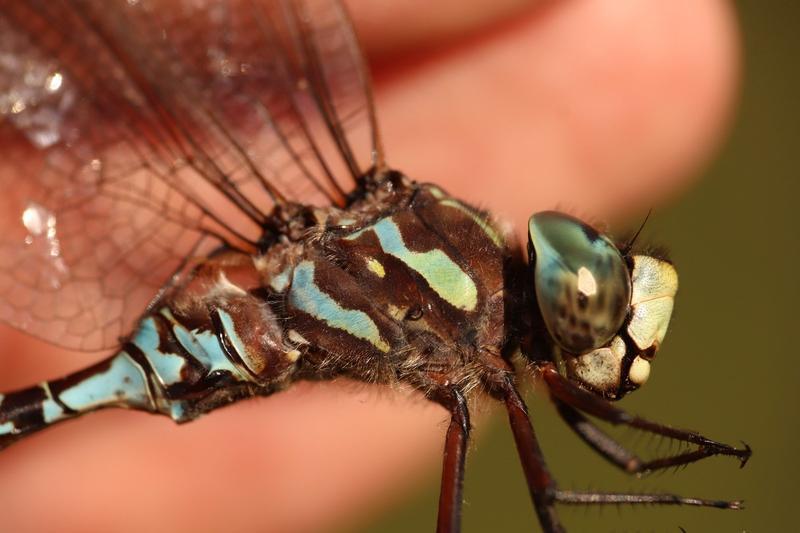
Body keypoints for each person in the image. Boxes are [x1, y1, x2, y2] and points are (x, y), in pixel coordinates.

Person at [0, 0, 739, 531]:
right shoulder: (483, 360)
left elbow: (610, 448)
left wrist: (682, 464)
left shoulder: (486, 357)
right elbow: (557, 492)